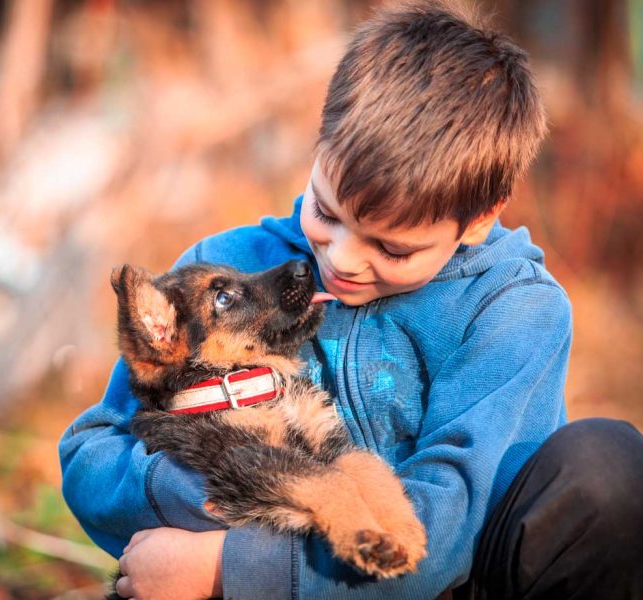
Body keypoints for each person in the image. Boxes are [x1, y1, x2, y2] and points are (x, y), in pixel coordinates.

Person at [59, 1, 643, 599]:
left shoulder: (514, 311)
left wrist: (227, 566)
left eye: (391, 249)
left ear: (477, 220)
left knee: (607, 468)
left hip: (442, 578)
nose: (340, 259)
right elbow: (94, 450)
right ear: (320, 147)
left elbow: (446, 528)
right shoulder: (227, 263)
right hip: (279, 538)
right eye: (325, 212)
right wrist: (204, 490)